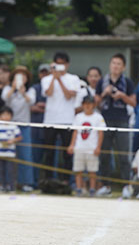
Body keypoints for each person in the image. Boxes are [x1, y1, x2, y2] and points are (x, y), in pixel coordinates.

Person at [95, 53, 136, 197]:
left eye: (119, 64)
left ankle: (126, 185)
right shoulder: (102, 82)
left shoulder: (128, 82)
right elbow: (95, 103)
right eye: (113, 63)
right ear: (110, 65)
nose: (115, 66)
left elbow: (133, 102)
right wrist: (104, 93)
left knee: (124, 154)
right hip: (104, 120)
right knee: (104, 154)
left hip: (122, 120)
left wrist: (122, 96)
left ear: (123, 67)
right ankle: (106, 185)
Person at [41, 51, 80, 181]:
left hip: (67, 120)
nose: (60, 67)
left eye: (62, 64)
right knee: (49, 152)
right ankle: (48, 180)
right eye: (57, 64)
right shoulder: (46, 79)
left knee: (67, 153)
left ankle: (66, 180)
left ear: (67, 65)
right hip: (50, 120)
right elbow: (48, 92)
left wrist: (60, 80)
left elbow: (69, 96)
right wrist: (53, 76)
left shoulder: (73, 78)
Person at [2, 65, 36, 191]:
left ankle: (26, 183)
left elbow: (31, 101)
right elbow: (5, 98)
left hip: (24, 126)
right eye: (18, 76)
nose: (21, 78)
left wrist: (23, 91)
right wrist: (13, 87)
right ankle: (7, 183)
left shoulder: (30, 90)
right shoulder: (7, 88)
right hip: (9, 126)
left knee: (26, 156)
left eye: (23, 76)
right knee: (6, 155)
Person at [67, 95, 105, 197]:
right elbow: (75, 132)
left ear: (93, 105)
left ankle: (92, 189)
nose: (88, 106)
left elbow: (100, 133)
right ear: (83, 105)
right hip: (79, 147)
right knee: (78, 170)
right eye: (86, 104)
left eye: (90, 104)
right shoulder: (78, 117)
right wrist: (72, 145)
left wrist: (98, 147)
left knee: (92, 171)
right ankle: (79, 189)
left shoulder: (98, 117)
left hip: (91, 148)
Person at [0, 106, 22, 192]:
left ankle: (11, 187)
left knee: (11, 171)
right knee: (1, 170)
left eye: (8, 115)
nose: (6, 117)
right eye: (3, 115)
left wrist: (13, 140)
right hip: (0, 153)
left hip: (11, 154)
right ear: (0, 116)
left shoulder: (14, 126)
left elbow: (19, 137)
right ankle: (2, 186)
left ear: (11, 116)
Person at [30, 64, 50, 186]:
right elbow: (29, 105)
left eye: (46, 73)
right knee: (35, 156)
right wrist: (36, 107)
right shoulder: (34, 88)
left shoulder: (54, 86)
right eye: (42, 73)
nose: (44, 75)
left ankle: (51, 182)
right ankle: (34, 182)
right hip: (36, 126)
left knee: (50, 156)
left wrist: (46, 107)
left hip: (50, 126)